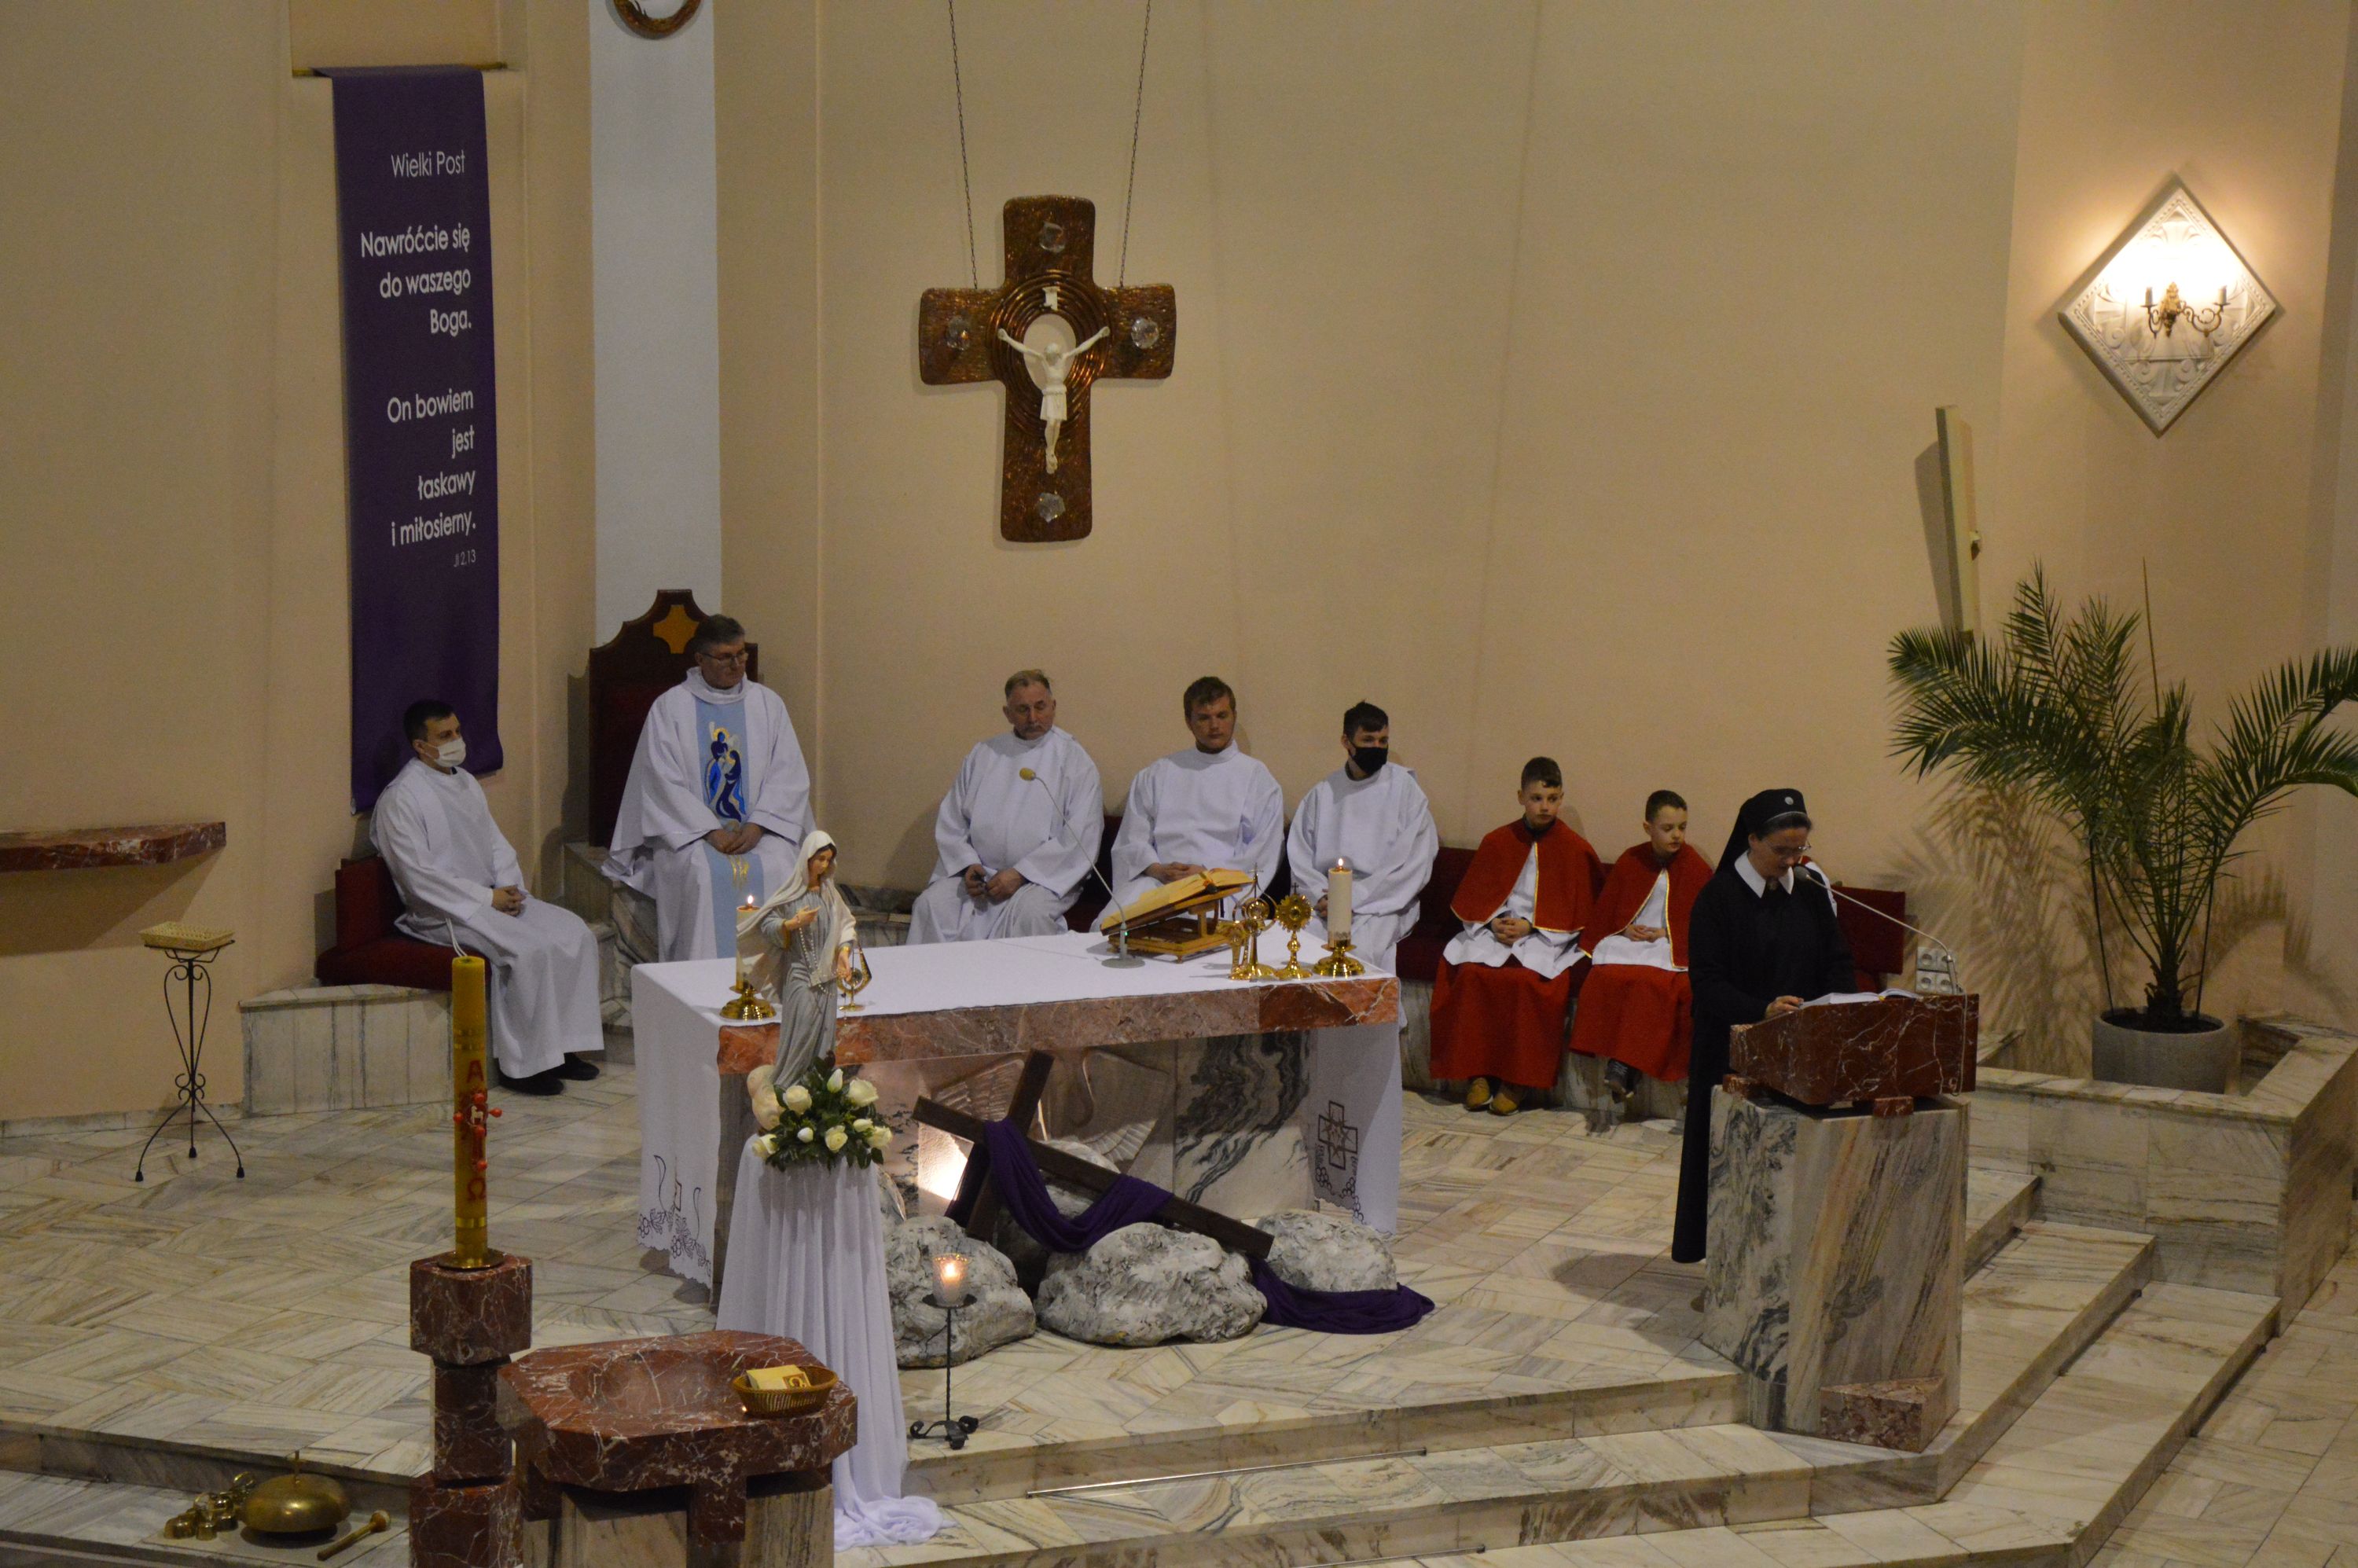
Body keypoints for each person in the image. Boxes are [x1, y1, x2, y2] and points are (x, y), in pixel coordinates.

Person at [372, 700, 604, 1095]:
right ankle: (524, 1067)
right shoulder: (401, 799)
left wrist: (509, 888)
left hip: (494, 898)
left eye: (457, 731)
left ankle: (564, 1049)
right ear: (420, 746)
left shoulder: (464, 781)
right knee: (528, 951)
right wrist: (485, 898)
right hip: (445, 911)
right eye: (444, 736)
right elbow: (417, 877)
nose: (456, 740)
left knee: (574, 933)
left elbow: (493, 842)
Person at [1670, 788, 1856, 1265]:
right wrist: (1762, 1009)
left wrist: (1836, 1009)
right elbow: (1707, 984)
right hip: (1730, 1053)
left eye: (1800, 849)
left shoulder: (1811, 892)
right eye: (1782, 850)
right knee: (1732, 1172)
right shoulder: (1717, 898)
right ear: (1752, 839)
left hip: (1802, 1053)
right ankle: (1730, 1271)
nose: (1793, 860)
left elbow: (1837, 962)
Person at [1287, 700, 1438, 1232]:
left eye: (1383, 741)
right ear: (1346, 741)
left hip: (1381, 905)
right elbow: (1301, 856)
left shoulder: (1406, 793)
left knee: (1365, 953)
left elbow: (1415, 864)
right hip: (1325, 903)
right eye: (1368, 741)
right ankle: (1311, 1057)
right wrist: (1323, 895)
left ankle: (1367, 1050)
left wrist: (1358, 898)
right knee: (1301, 952)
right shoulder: (1322, 794)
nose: (1377, 749)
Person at [604, 615, 813, 961]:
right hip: (692, 833)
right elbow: (661, 781)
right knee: (704, 873)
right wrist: (709, 830)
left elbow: (788, 773)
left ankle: (774, 977)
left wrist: (758, 824)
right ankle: (699, 979)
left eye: (741, 654)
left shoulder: (768, 704)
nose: (737, 664)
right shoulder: (671, 707)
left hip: (759, 830)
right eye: (725, 657)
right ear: (700, 659)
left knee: (780, 865)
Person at [1428, 757, 1603, 1115]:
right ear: (1521, 797)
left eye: (1552, 799)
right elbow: (1477, 897)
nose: (1545, 807)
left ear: (1561, 798)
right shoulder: (1498, 841)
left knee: (1528, 982)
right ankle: (1478, 1074)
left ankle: (1517, 1081)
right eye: (1537, 798)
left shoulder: (1575, 848)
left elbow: (1582, 911)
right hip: (1496, 930)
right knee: (1472, 974)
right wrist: (1493, 922)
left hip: (1544, 936)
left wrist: (1533, 926)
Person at [906, 670, 1104, 945]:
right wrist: (968, 864)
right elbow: (953, 819)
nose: (1033, 718)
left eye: (1040, 707)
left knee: (1031, 916)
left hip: (1041, 880)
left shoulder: (1075, 761)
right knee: (930, 905)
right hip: (981, 877)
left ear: (1053, 706)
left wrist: (1021, 874)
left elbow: (1080, 836)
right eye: (1022, 709)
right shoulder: (984, 754)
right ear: (1007, 713)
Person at [1569, 791, 1713, 1100]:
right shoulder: (1631, 860)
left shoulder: (1695, 867)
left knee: (1654, 984)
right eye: (1668, 828)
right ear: (1648, 828)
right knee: (1606, 975)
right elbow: (1610, 910)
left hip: (1669, 945)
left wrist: (1666, 932)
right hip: (1631, 942)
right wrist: (1625, 928)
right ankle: (1624, 1067)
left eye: (1682, 827)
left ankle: (1623, 1066)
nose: (1677, 835)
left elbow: (1703, 923)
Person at [1107, 676, 1284, 909]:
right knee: (1110, 924)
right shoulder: (1159, 773)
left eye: (1222, 716)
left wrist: (1209, 876)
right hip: (1157, 884)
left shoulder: (1257, 779)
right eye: (1203, 718)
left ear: (1234, 716)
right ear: (1188, 722)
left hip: (1219, 890)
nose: (1214, 726)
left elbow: (1263, 851)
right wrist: (1156, 869)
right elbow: (1132, 840)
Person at [738, 830, 858, 1089]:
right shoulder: (791, 894)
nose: (824, 865)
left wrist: (843, 954)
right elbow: (767, 924)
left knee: (824, 1035)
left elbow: (846, 925)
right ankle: (789, 1084)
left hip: (826, 978)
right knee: (802, 1030)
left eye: (828, 860)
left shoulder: (830, 895)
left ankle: (816, 1087)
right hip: (800, 973)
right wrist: (793, 923)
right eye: (820, 859)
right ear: (807, 859)